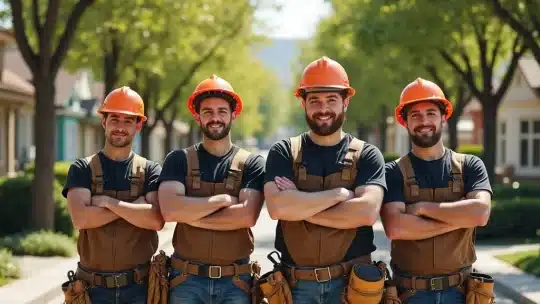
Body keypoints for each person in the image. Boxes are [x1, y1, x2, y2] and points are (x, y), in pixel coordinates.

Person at [263, 56, 387, 303]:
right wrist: (338, 196)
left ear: (346, 102)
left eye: (331, 100)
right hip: (295, 287)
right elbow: (277, 208)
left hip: (352, 287)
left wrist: (299, 207)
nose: (323, 109)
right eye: (314, 100)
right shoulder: (284, 152)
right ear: (303, 103)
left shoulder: (368, 155)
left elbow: (366, 213)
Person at [381, 78, 492, 303]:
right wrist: (461, 219)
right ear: (405, 122)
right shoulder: (393, 172)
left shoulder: (470, 165)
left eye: (431, 113)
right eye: (416, 115)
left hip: (461, 293)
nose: (424, 121)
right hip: (410, 294)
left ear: (443, 117)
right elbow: (395, 227)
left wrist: (422, 208)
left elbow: (480, 213)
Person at [157, 75, 266, 304]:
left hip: (236, 283)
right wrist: (220, 202)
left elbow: (247, 216)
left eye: (222, 111)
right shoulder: (178, 160)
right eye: (207, 112)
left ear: (233, 114)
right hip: (186, 281)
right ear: (197, 116)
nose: (215, 118)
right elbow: (169, 211)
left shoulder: (251, 163)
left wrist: (191, 214)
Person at [62, 86, 164, 303]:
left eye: (128, 121)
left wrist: (108, 202)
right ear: (103, 121)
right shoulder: (82, 169)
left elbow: (155, 219)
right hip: (92, 289)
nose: (120, 127)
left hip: (140, 289)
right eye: (115, 119)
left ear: (139, 125)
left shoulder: (150, 171)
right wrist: (135, 206)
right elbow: (81, 219)